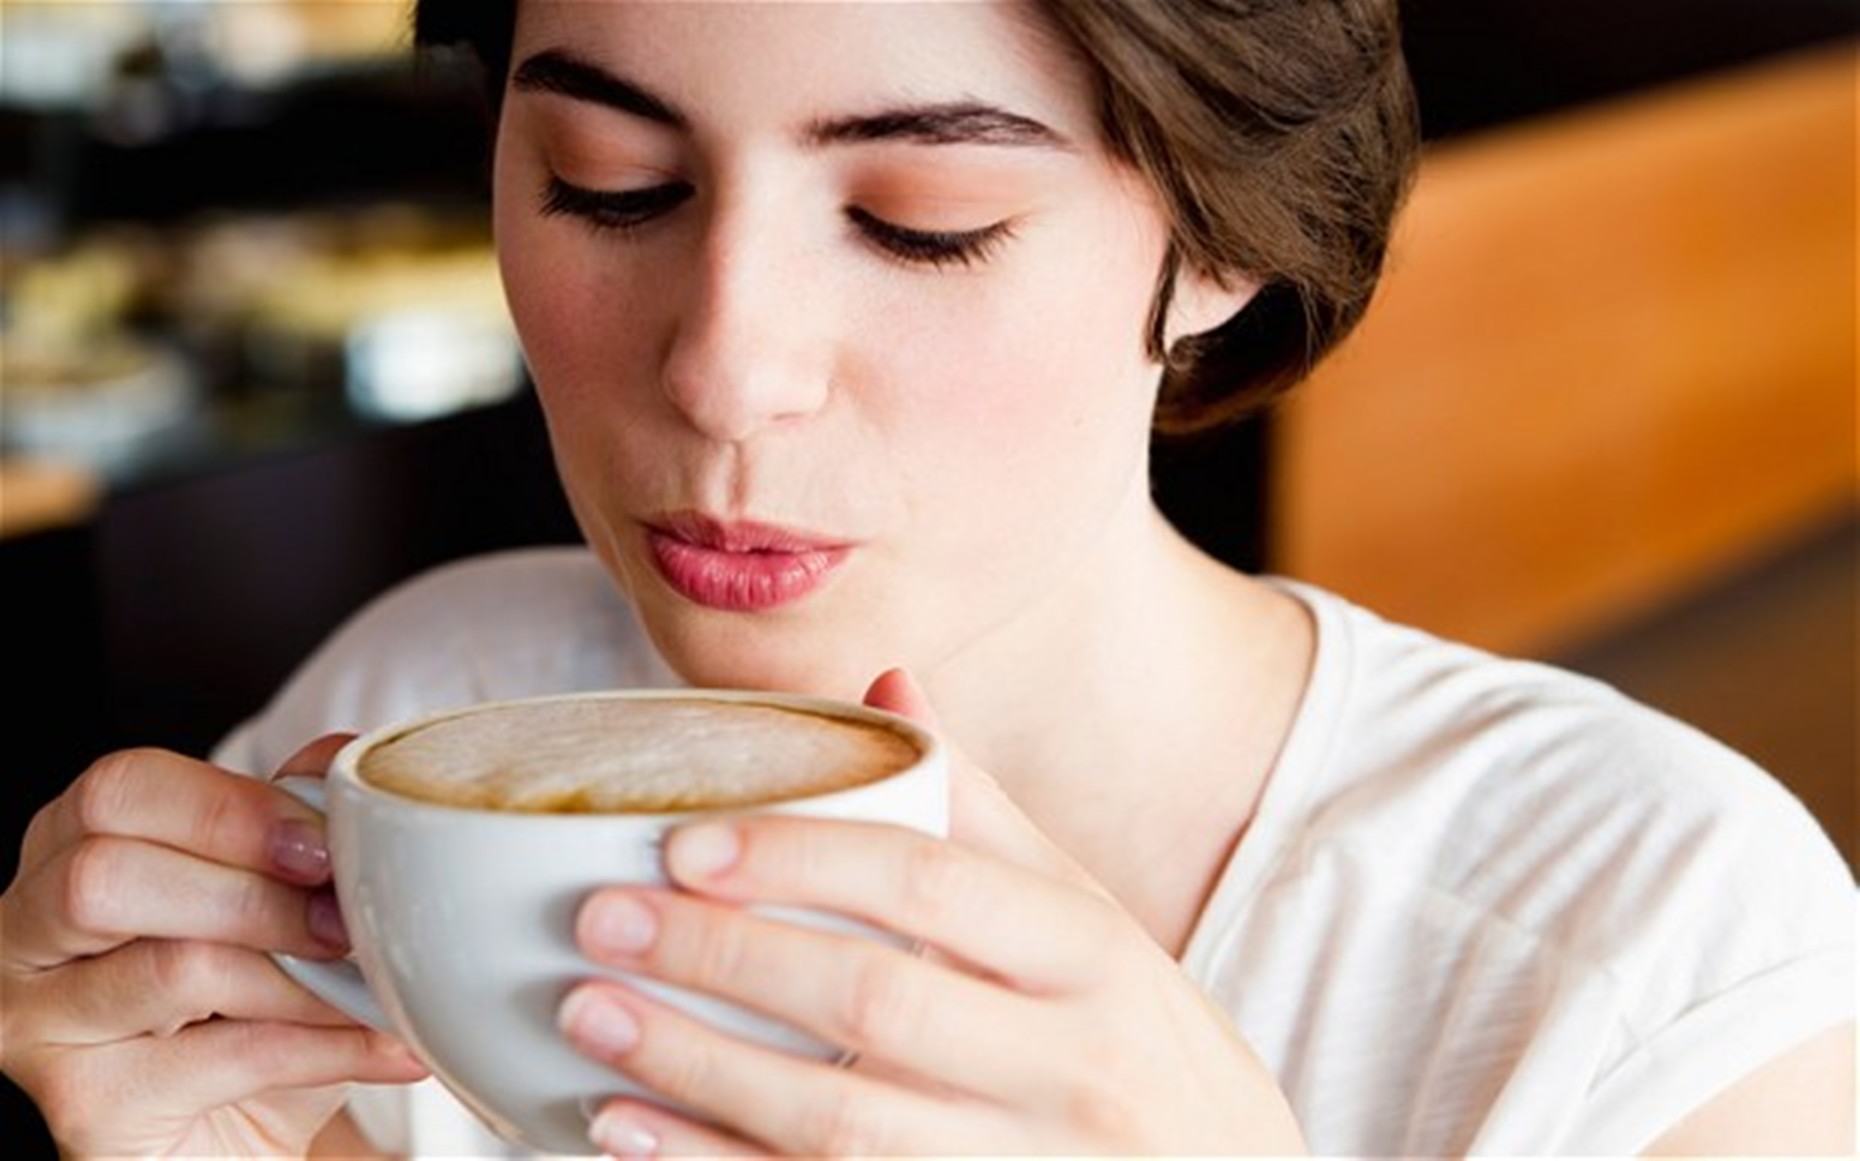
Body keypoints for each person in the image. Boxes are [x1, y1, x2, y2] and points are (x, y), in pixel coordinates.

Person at [3, 1, 1852, 1156]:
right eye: (610, 183)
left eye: (921, 222)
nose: (727, 370)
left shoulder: (1649, 958)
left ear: (1222, 241)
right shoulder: (408, 722)